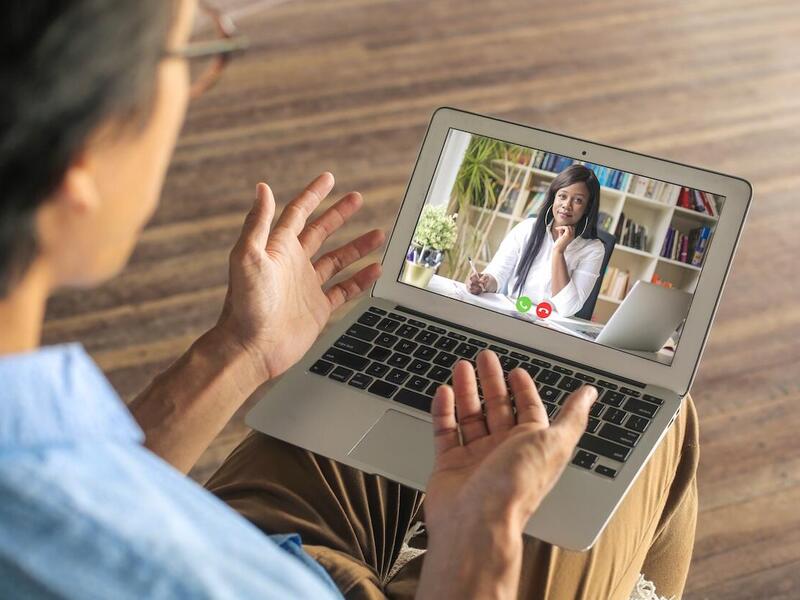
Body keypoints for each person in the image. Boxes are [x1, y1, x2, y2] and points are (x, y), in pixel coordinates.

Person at [0, 1, 700, 598]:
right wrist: (475, 549)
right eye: (187, 52)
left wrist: (241, 350)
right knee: (650, 416)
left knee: (421, 387)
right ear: (81, 162)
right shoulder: (175, 577)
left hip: (244, 539)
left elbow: (82, 491)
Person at [466, 164, 606, 318]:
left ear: (587, 207)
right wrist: (483, 283)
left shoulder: (593, 249)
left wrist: (558, 251)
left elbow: (568, 308)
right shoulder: (526, 229)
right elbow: (497, 275)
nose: (567, 205)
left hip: (551, 328)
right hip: (512, 315)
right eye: (562, 196)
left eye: (578, 200)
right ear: (554, 197)